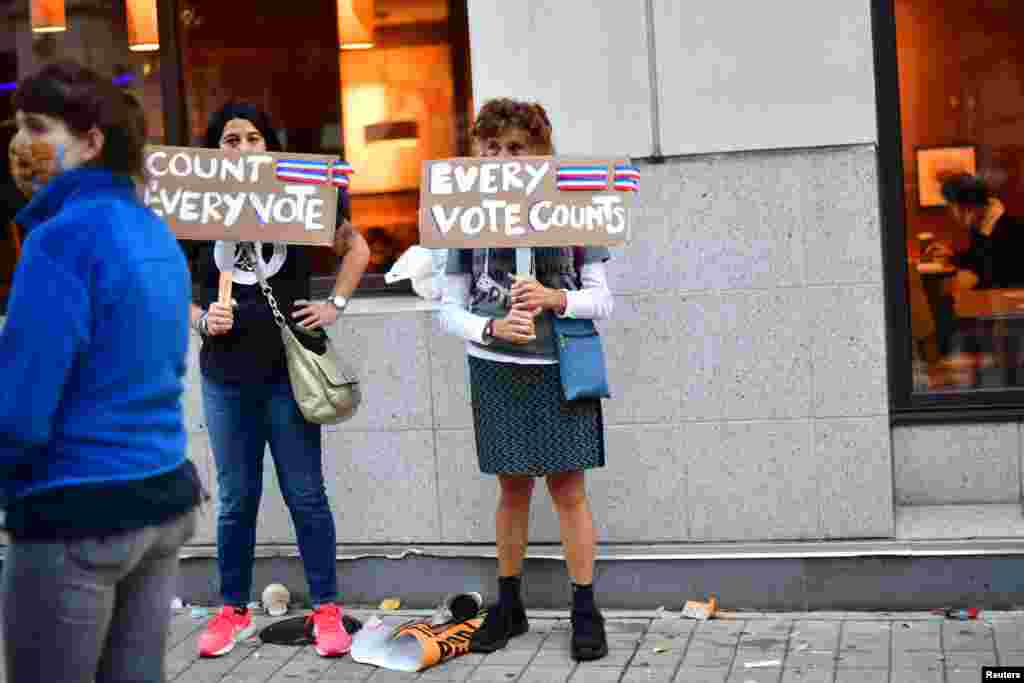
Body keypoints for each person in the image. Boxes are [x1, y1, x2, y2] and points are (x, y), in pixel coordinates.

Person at [0, 60, 202, 683]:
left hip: (74, 515)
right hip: (161, 500)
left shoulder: (57, 241)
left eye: (37, 125)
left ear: (91, 142)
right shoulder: (155, 232)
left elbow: (21, 411)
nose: (19, 142)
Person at [192, 102, 370, 658]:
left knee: (306, 495)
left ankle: (326, 609)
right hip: (225, 376)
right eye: (229, 140)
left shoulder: (300, 196)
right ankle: (232, 610)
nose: (241, 148)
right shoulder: (196, 207)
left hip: (288, 377)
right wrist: (200, 318)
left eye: (251, 138)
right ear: (215, 152)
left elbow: (356, 248)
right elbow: (173, 282)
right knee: (235, 499)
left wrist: (334, 305)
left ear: (270, 148)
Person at [438, 97, 612, 662]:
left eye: (517, 148)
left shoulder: (574, 208)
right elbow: (448, 309)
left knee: (569, 490)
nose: (503, 159)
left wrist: (556, 297)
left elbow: (603, 299)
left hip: (558, 364)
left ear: (541, 154)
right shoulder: (464, 217)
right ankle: (509, 605)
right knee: (512, 488)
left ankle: (585, 607)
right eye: (491, 149)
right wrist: (491, 332)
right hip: (497, 369)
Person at [925, 173, 1024, 292]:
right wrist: (952, 255)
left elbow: (999, 275)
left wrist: (969, 281)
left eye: (952, 206)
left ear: (967, 207)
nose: (953, 212)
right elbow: (976, 259)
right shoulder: (981, 222)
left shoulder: (1009, 227)